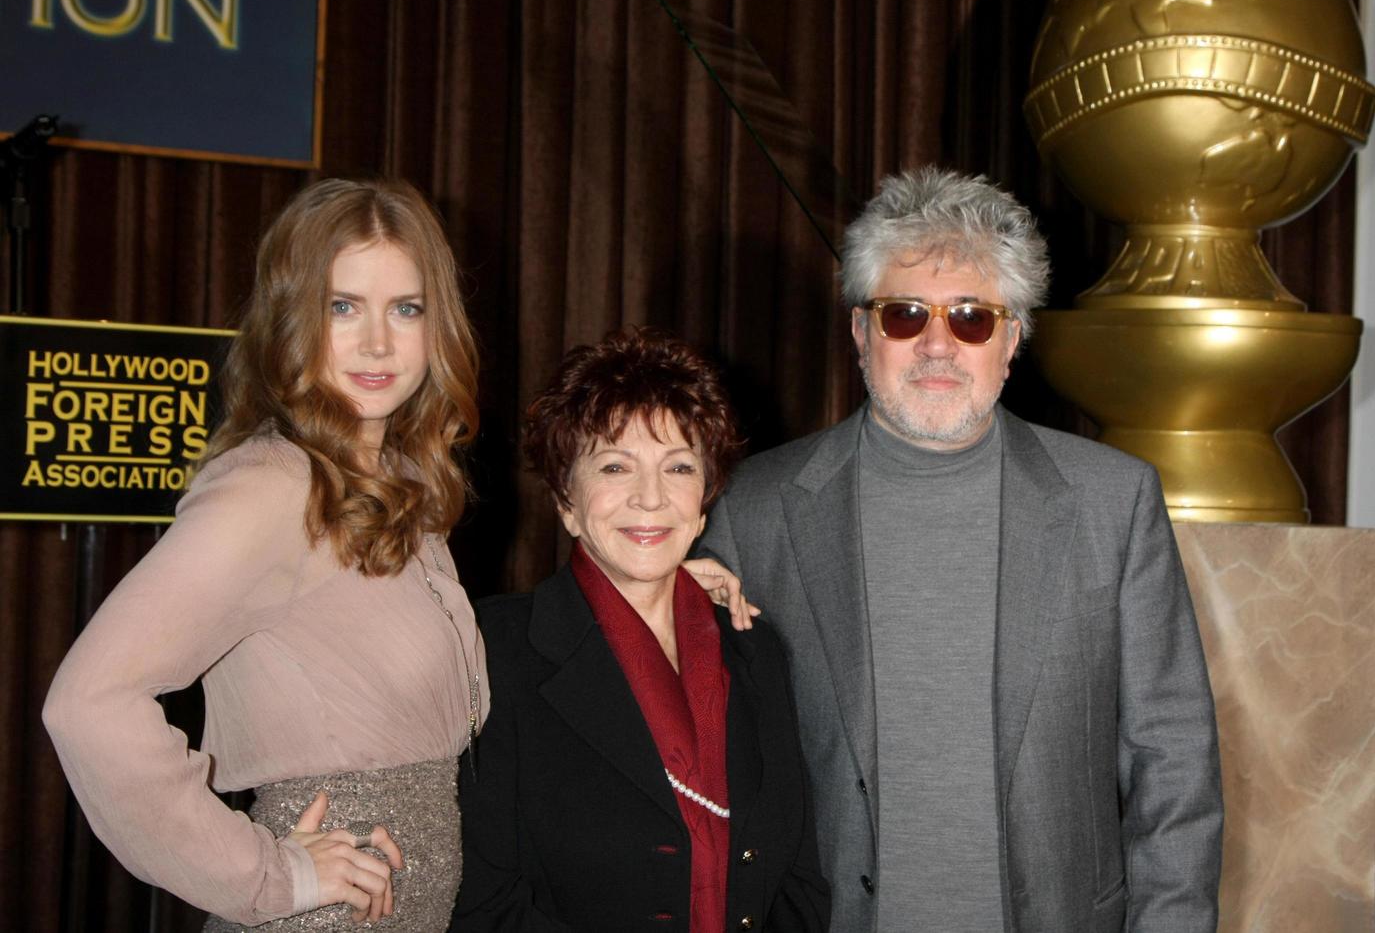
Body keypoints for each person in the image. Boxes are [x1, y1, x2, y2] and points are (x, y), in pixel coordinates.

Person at [697, 167, 1223, 932]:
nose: (937, 344)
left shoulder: (1114, 502)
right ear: (859, 333)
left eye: (973, 318)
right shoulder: (756, 507)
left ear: (1012, 339)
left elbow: (1174, 760)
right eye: (905, 314)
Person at [42, 178, 488, 929]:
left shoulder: (404, 485)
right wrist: (269, 875)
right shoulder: (274, 488)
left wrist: (658, 594)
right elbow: (87, 704)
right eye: (341, 307)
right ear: (291, 319)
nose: (377, 342)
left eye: (405, 309)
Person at [452, 328, 830, 932]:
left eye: (678, 466)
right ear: (566, 502)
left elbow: (800, 878)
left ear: (704, 500)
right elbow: (481, 899)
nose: (650, 498)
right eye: (614, 466)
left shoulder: (755, 649)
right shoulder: (494, 651)